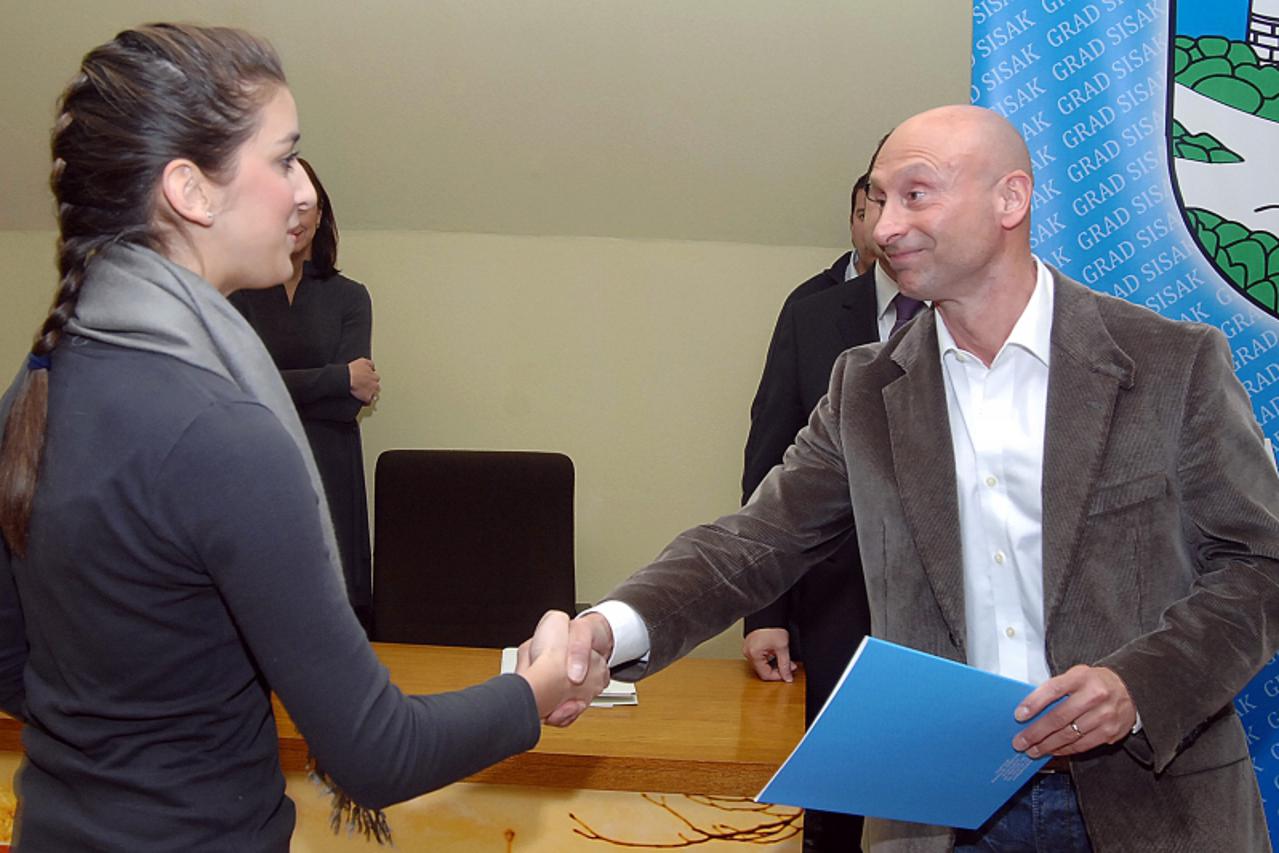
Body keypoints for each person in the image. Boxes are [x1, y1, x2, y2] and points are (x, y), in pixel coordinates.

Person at [550, 105, 1279, 851]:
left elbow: (1259, 565)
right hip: (936, 815)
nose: (884, 227)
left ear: (1010, 199)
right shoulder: (863, 388)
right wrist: (607, 628)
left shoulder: (1171, 363)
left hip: (1148, 807)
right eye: (876, 201)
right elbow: (752, 542)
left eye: (915, 194)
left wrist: (1137, 687)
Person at [0, 24, 605, 851]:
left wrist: (134, 738)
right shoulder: (223, 436)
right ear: (190, 190)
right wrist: (535, 688)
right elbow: (378, 751)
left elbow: (11, 661)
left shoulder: (37, 383)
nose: (303, 193)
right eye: (283, 159)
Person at [741, 169, 917, 853]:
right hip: (836, 601)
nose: (888, 216)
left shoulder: (968, 312)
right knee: (836, 810)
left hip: (947, 619)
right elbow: (768, 467)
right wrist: (765, 613)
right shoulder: (812, 315)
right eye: (876, 200)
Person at [230, 158, 377, 634]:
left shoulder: (350, 296)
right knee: (261, 606)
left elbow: (352, 402)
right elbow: (237, 390)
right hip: (257, 464)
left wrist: (275, 381)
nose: (294, 217)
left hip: (332, 466)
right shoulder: (238, 296)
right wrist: (336, 378)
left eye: (304, 205)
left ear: (319, 214)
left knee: (337, 614)